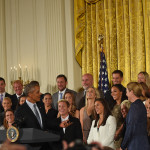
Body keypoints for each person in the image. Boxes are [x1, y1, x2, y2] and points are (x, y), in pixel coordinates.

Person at [120, 82, 150, 150]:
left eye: (127, 91)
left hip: (136, 145)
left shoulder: (134, 106)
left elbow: (130, 127)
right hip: (142, 144)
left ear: (132, 92)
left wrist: (123, 146)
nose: (126, 94)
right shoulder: (141, 105)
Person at [111, 84, 124, 149]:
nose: (112, 94)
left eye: (115, 91)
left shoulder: (124, 105)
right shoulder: (112, 106)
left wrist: (118, 132)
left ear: (121, 92)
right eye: (111, 92)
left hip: (120, 136)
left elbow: (126, 121)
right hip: (111, 135)